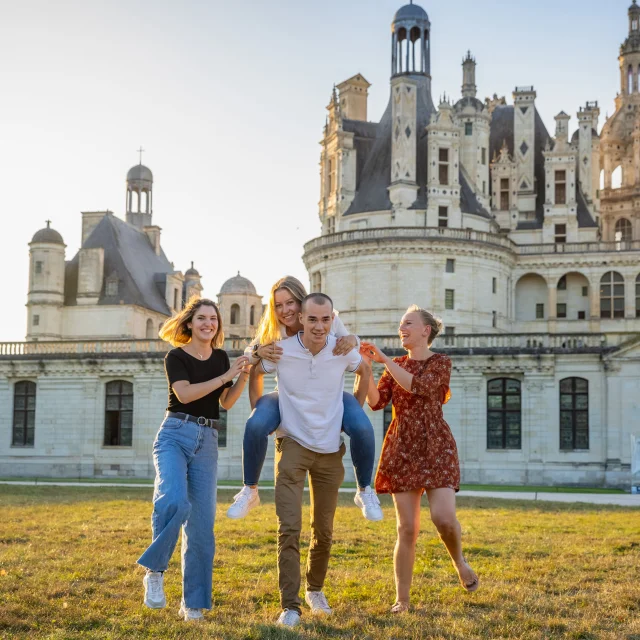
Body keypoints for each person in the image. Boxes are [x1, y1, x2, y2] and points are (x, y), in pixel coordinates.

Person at [255, 293, 371, 627]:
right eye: (312, 319)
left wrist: (354, 416)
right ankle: (290, 606)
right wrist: (262, 414)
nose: (319, 326)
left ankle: (315, 590)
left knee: (324, 530)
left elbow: (364, 368)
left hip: (330, 451)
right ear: (301, 319)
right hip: (292, 445)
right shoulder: (284, 348)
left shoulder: (340, 347)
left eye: (325, 320)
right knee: (288, 528)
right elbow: (252, 368)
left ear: (332, 319)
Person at [226, 276, 382, 522]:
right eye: (278, 305)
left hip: (330, 394)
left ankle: (365, 490)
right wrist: (257, 353)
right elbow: (251, 361)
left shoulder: (324, 318)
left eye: (290, 303)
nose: (285, 310)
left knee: (362, 426)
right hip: (288, 395)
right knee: (255, 423)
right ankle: (249, 490)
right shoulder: (274, 331)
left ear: (302, 304)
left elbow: (352, 348)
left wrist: (355, 340)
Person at [360, 305, 479, 614]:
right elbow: (376, 402)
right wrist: (366, 368)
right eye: (401, 323)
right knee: (407, 529)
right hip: (402, 446)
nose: (402, 328)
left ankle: (459, 562)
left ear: (426, 330)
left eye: (408, 323)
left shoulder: (441, 362)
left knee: (443, 518)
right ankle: (402, 599)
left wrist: (383, 359)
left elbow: (421, 387)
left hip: (436, 445)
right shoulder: (394, 364)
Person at [137, 297, 250, 622]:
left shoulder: (220, 358)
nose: (208, 324)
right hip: (175, 434)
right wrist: (226, 373)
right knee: (173, 500)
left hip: (208, 440)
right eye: (202, 318)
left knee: (202, 527)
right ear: (189, 323)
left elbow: (225, 402)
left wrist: (241, 374)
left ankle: (194, 604)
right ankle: (155, 571)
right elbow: (185, 394)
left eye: (213, 319)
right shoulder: (176, 356)